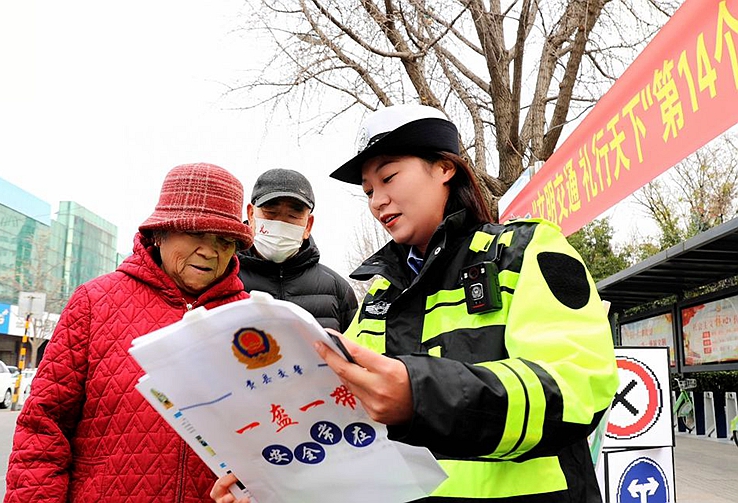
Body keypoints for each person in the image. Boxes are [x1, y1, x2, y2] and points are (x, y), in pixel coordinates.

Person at [212, 105, 618, 503]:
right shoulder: (377, 299)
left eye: (388, 177)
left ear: (445, 167)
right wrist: (273, 480)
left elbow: (580, 387)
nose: (376, 200)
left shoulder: (525, 252)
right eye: (369, 190)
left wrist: (421, 396)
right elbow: (340, 416)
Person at [6, 163, 255, 503]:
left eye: (225, 240)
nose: (211, 251)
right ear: (161, 232)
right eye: (197, 234)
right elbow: (43, 427)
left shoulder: (251, 319)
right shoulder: (94, 303)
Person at [238, 168, 357, 331]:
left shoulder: (337, 290)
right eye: (270, 213)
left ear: (308, 225)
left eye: (293, 216)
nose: (280, 225)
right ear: (251, 215)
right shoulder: (224, 279)